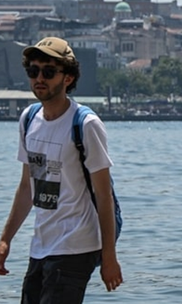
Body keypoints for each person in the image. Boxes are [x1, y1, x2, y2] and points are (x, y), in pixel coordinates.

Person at [0, 37, 123, 303]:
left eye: (48, 71)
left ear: (67, 77)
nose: (39, 78)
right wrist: (5, 239)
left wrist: (109, 257)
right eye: (33, 71)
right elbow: (26, 187)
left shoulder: (86, 124)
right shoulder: (29, 118)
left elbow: (104, 197)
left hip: (77, 245)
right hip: (42, 244)